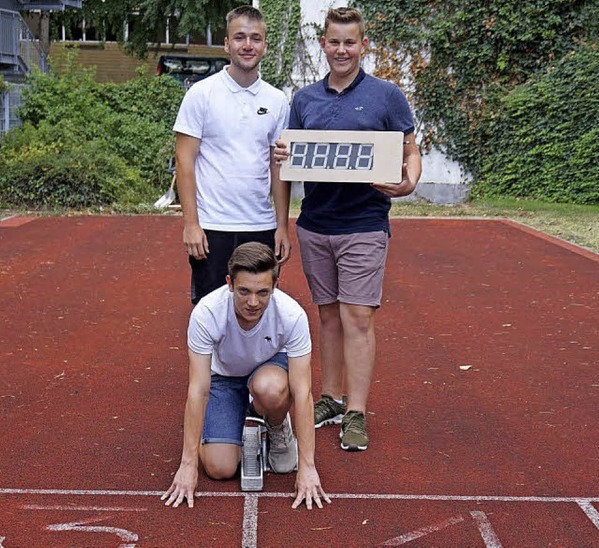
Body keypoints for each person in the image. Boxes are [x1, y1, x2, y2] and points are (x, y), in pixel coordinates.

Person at [274, 7, 422, 452]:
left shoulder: (387, 96)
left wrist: (408, 181)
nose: (342, 50)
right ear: (324, 45)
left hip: (364, 223)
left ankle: (356, 411)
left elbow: (410, 151)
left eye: (350, 43)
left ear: (363, 45)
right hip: (316, 224)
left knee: (358, 317)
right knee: (327, 315)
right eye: (334, 42)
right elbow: (284, 166)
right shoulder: (304, 100)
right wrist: (283, 223)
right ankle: (331, 398)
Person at [161, 242, 330, 510]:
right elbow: (198, 390)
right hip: (224, 378)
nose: (253, 302)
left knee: (271, 389)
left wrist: (308, 467)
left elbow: (303, 393)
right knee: (219, 468)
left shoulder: (292, 315)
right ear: (229, 283)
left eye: (263, 292)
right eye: (244, 291)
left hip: (268, 372)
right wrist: (188, 464)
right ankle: (236, 424)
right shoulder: (206, 313)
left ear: (275, 286)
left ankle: (275, 423)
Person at [173, 5, 291, 305]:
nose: (247, 45)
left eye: (255, 38)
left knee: (257, 312)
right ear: (226, 44)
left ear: (264, 44)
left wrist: (281, 226)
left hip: (260, 226)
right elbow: (185, 162)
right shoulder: (201, 94)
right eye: (239, 37)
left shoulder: (277, 101)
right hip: (212, 227)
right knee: (210, 315)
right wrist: (191, 223)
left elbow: (277, 168)